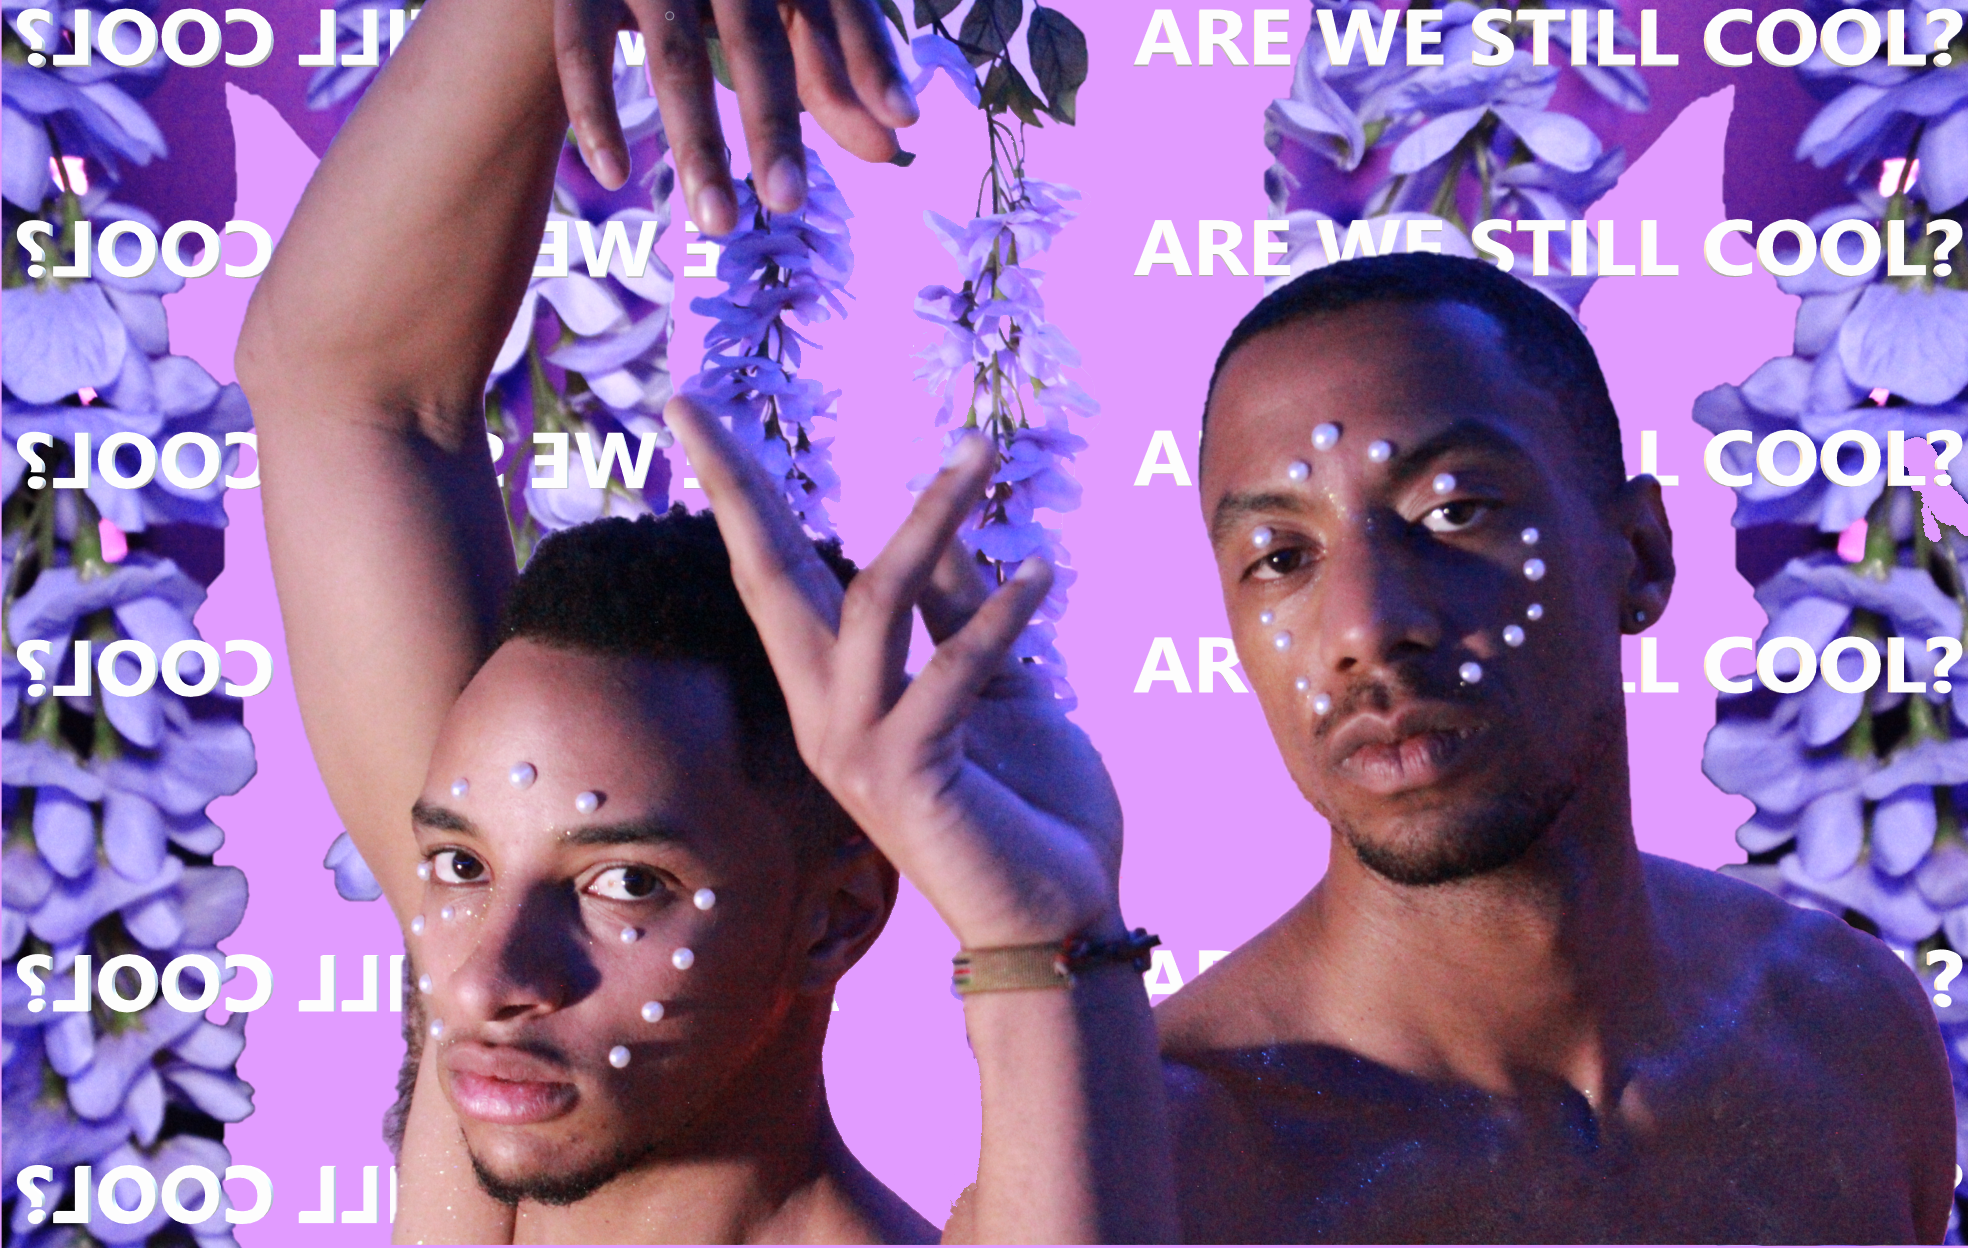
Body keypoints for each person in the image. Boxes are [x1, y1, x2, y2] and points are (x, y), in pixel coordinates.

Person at [234, 0, 1174, 1240]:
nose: (483, 976)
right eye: (457, 864)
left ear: (836, 914)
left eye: (626, 883)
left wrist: (1056, 940)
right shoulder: (512, 1081)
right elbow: (346, 394)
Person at [1148, 252, 1957, 1242]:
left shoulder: (1843, 1026)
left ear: (1641, 556)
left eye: (1455, 512)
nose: (1366, 623)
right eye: (1281, 558)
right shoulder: (1165, 1157)